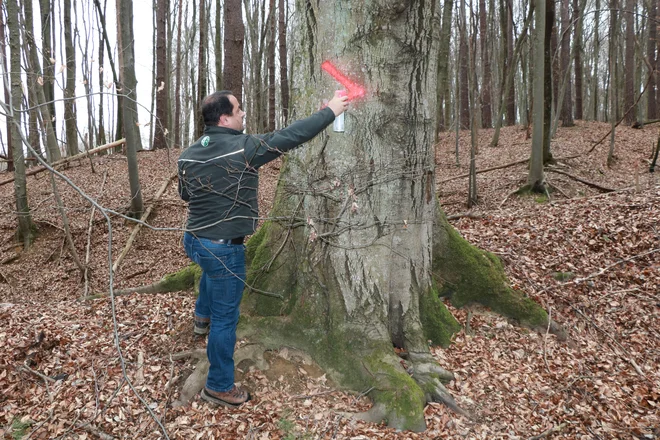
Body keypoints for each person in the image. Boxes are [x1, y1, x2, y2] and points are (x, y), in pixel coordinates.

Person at [177, 90, 348, 407]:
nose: (243, 114)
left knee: (207, 271)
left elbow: (187, 195)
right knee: (226, 321)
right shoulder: (243, 148)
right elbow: (290, 136)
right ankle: (219, 386)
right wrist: (331, 110)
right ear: (225, 118)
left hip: (194, 240)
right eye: (238, 110)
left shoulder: (187, 155)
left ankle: (201, 317)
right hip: (223, 250)